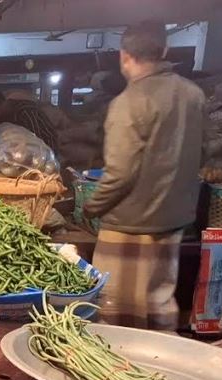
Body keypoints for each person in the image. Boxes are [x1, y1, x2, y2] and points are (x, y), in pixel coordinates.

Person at [83, 21, 205, 330]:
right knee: (158, 303)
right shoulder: (193, 95)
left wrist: (92, 206)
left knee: (114, 311)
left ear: (124, 56)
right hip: (174, 220)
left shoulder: (129, 103)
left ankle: (118, 371)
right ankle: (159, 366)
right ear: (164, 50)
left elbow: (120, 173)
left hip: (130, 224)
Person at [0, 89, 58, 153]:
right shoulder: (2, 116)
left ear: (3, 103)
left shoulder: (26, 111)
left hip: (46, 148)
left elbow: (36, 138)